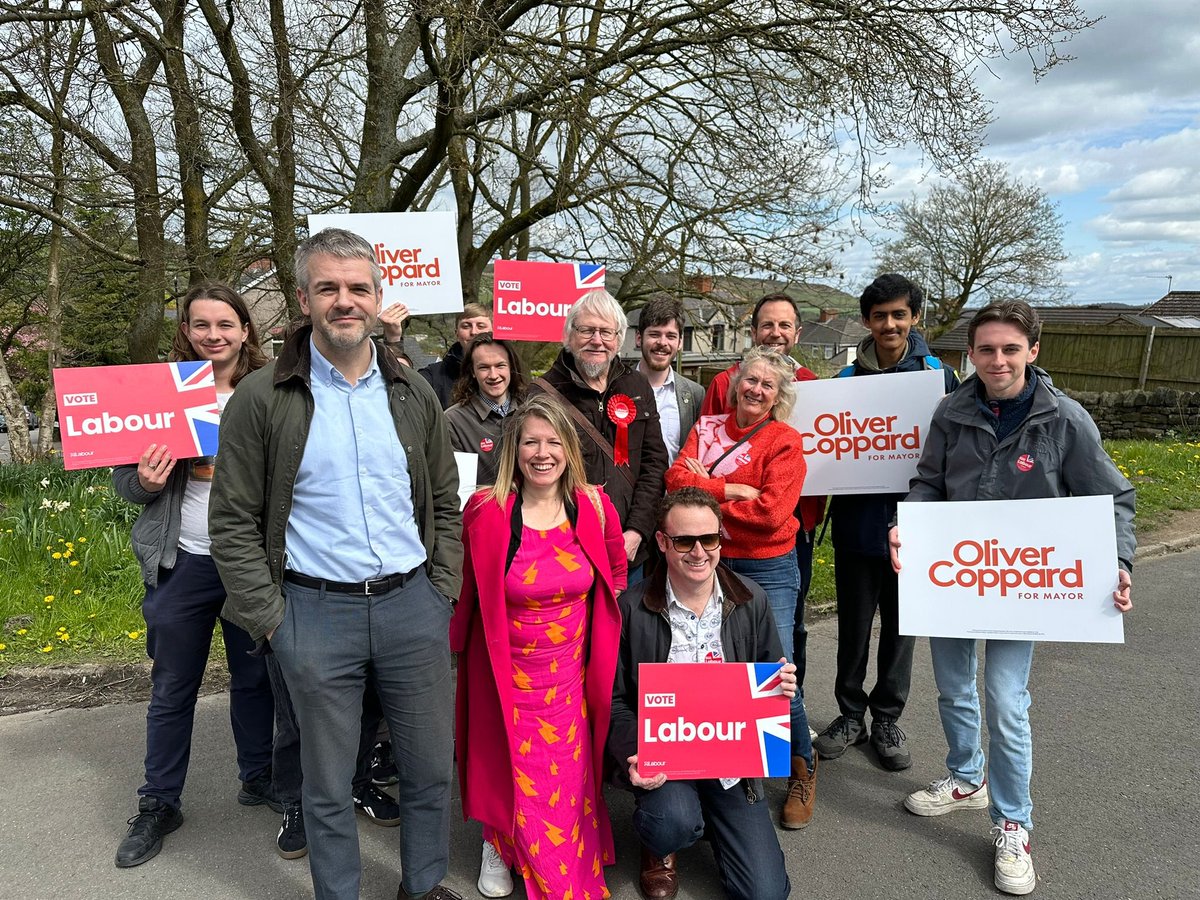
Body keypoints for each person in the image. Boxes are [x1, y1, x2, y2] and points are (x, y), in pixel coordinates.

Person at [209, 227, 463, 900]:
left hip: (413, 603)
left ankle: (424, 883)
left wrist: (441, 591)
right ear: (303, 298)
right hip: (313, 611)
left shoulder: (412, 393)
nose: (344, 301)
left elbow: (444, 501)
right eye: (328, 288)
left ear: (379, 299)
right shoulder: (261, 397)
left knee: (431, 769)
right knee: (325, 782)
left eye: (357, 288)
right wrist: (272, 621)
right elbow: (231, 521)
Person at [890, 300, 1135, 897]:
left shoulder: (1065, 419)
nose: (997, 360)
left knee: (1004, 698)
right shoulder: (952, 409)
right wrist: (910, 526)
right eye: (985, 350)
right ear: (968, 354)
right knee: (952, 687)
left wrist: (1119, 562)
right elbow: (928, 481)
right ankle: (966, 778)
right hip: (954, 577)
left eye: (1009, 349)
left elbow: (1112, 499)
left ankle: (1013, 823)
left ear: (1032, 350)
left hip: (1022, 582)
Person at [112, 282, 275, 869]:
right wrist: (148, 483)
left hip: (250, 564)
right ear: (186, 331)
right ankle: (159, 802)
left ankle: (260, 776)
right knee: (172, 687)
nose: (214, 336)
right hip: (181, 561)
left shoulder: (271, 390)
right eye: (201, 325)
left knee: (255, 679)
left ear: (245, 331)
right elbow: (125, 483)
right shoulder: (159, 394)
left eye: (225, 325)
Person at [451, 394, 627, 899]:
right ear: (515, 449)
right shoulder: (486, 509)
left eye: (553, 442)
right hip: (505, 672)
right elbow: (467, 583)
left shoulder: (594, 505)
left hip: (570, 674)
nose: (542, 452)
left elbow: (614, 568)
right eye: (531, 441)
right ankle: (497, 840)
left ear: (569, 450)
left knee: (566, 783)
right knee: (504, 762)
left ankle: (543, 854)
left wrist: (603, 624)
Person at [609, 488, 796, 900]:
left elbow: (771, 678)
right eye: (683, 541)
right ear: (662, 542)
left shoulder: (751, 600)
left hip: (731, 762)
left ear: (720, 538)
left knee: (766, 894)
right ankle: (662, 843)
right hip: (666, 759)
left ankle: (711, 820)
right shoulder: (631, 609)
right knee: (670, 822)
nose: (698, 552)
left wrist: (782, 688)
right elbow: (615, 701)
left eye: (708, 539)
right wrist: (634, 751)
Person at [665, 345, 817, 829]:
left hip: (767, 567)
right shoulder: (707, 429)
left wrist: (702, 498)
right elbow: (674, 482)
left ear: (778, 396)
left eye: (766, 385)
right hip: (709, 562)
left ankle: (802, 767)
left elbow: (772, 514)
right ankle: (723, 757)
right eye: (749, 380)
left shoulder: (784, 441)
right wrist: (730, 490)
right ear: (735, 383)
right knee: (713, 662)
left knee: (777, 672)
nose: (755, 389)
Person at [814, 274, 959, 771]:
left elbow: (958, 452)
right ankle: (850, 714)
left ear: (914, 317)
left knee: (901, 629)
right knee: (852, 628)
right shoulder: (845, 382)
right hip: (857, 526)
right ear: (866, 321)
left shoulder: (942, 377)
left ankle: (887, 718)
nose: (890, 324)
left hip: (917, 528)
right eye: (880, 315)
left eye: (899, 314)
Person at [699, 292, 824, 698]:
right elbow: (705, 457)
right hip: (727, 537)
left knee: (787, 631)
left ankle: (789, 720)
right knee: (723, 631)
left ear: (797, 332)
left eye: (784, 325)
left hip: (791, 527)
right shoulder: (724, 382)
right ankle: (736, 717)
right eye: (767, 325)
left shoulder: (814, 387)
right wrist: (728, 493)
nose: (775, 333)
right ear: (753, 331)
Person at [527, 289, 668, 579]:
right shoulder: (542, 394)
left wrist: (637, 531)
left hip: (630, 551)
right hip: (566, 548)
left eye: (606, 332)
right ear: (568, 334)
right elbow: (532, 476)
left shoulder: (637, 386)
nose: (597, 340)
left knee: (624, 625)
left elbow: (654, 465)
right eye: (587, 330)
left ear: (619, 339)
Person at [444, 334, 526, 487]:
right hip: (482, 508)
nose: (493, 375)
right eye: (484, 368)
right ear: (472, 372)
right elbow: (457, 487)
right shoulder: (454, 421)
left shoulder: (531, 411)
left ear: (511, 368)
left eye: (500, 365)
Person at [634, 296, 704, 464]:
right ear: (639, 338)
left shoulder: (695, 394)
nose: (662, 343)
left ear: (680, 342)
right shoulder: (616, 387)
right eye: (654, 334)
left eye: (671, 336)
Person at [407, 303, 493, 409]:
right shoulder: (433, 375)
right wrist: (393, 339)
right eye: (466, 326)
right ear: (456, 333)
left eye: (481, 326)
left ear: (493, 331)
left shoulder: (509, 374)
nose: (474, 332)